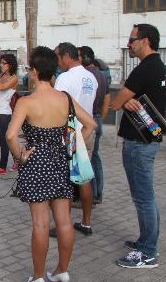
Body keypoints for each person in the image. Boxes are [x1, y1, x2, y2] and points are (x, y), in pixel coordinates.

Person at [7, 46, 96, 282]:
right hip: (61, 162)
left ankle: (38, 277)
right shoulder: (65, 99)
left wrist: (20, 156)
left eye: (29, 68)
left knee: (40, 223)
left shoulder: (26, 102)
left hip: (36, 164)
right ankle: (61, 271)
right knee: (64, 219)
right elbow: (90, 125)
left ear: (34, 71)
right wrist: (72, 148)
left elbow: (10, 136)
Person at [112, 23, 166, 268]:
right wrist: (128, 102)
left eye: (132, 39)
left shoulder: (145, 69)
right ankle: (147, 240)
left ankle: (148, 252)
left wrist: (124, 102)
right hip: (148, 141)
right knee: (146, 197)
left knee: (143, 198)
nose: (129, 44)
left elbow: (116, 103)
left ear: (145, 40)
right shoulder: (159, 67)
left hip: (138, 143)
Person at [52, 42, 98, 237]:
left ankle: (65, 224)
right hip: (88, 128)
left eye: (57, 58)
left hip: (70, 131)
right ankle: (86, 222)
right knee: (84, 178)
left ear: (65, 57)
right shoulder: (91, 77)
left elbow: (58, 106)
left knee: (67, 181)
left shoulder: (65, 78)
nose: (57, 62)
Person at [79, 46, 111, 205]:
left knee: (86, 160)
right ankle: (98, 193)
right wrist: (100, 120)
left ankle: (88, 197)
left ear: (84, 58)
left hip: (86, 121)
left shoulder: (85, 76)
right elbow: (107, 100)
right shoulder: (102, 76)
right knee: (95, 157)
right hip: (96, 118)